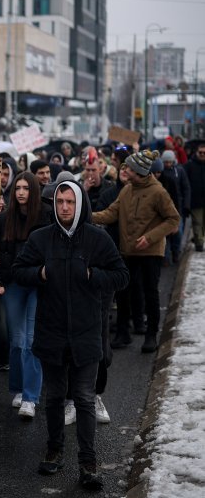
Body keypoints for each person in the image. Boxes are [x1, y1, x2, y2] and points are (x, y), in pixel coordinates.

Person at [12, 180, 129, 491]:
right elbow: (18, 270)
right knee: (53, 397)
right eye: (60, 201)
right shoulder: (40, 238)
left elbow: (121, 275)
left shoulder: (97, 238)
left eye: (70, 202)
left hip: (86, 332)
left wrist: (93, 275)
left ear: (80, 205)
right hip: (51, 331)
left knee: (84, 399)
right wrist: (40, 273)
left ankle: (88, 463)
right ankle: (54, 449)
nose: (64, 207)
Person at [92, 150, 180, 352]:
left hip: (151, 252)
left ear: (138, 170)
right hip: (128, 250)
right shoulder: (126, 190)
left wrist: (150, 237)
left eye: (128, 167)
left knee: (150, 292)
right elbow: (110, 213)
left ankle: (151, 336)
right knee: (123, 292)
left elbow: (173, 219)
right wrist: (86, 215)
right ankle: (123, 333)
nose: (124, 169)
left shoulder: (158, 192)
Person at [0, 172, 50, 419]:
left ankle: (31, 397)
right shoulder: (4, 220)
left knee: (32, 341)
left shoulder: (46, 216)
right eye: (18, 188)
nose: (21, 192)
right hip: (13, 283)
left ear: (33, 191)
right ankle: (19, 389)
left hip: (38, 283)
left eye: (26, 188)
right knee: (17, 340)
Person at [159, 150, 190, 263]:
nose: (167, 164)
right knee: (165, 234)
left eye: (169, 162)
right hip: (164, 209)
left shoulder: (180, 171)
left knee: (178, 233)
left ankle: (176, 252)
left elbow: (186, 188)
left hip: (178, 207)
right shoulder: (161, 173)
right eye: (165, 162)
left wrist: (186, 205)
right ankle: (166, 256)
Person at [184, 142, 205, 252]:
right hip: (195, 200)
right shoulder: (189, 165)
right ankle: (199, 244)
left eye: (204, 153)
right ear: (196, 152)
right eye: (200, 152)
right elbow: (185, 184)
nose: (202, 154)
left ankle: (199, 238)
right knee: (197, 223)